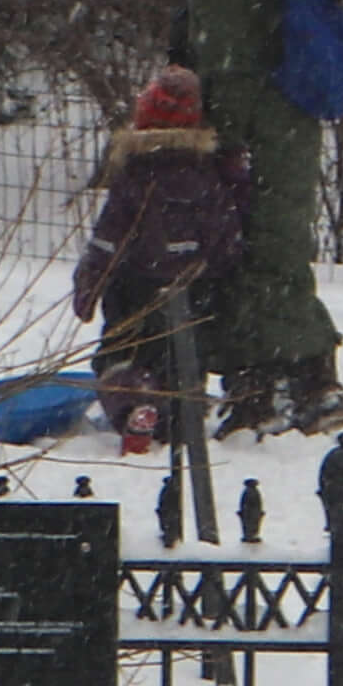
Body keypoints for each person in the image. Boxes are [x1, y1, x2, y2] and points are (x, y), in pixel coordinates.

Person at [136, 0, 343, 434]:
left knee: (252, 255)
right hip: (292, 120)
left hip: (259, 126)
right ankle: (297, 380)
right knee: (275, 249)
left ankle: (286, 384)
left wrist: (214, 140)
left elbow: (230, 69)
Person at [69, 67, 251, 456]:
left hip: (136, 286)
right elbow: (226, 236)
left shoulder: (136, 174)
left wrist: (90, 283)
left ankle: (136, 407)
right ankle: (181, 416)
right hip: (193, 290)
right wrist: (218, 273)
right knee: (183, 359)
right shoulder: (209, 174)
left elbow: (108, 239)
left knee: (119, 357)